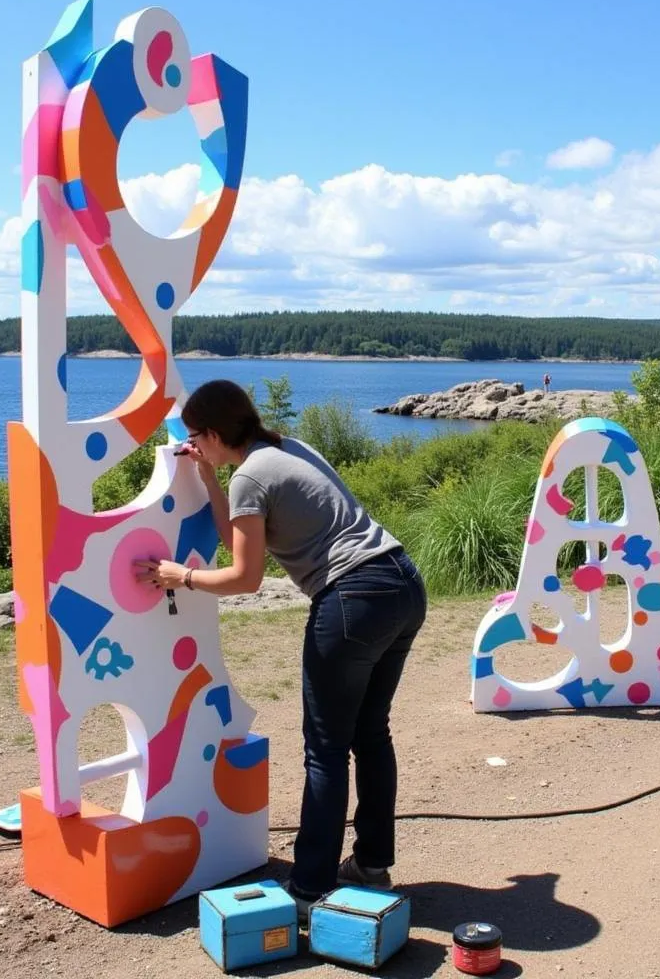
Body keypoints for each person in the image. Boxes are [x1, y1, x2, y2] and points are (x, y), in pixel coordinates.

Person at [135, 380, 426, 918]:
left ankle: (310, 887)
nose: (195, 444)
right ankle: (372, 864)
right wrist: (207, 475)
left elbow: (245, 578)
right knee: (368, 732)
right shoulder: (286, 449)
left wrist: (184, 576)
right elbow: (239, 537)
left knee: (326, 746)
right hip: (402, 584)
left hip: (352, 599)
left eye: (197, 438)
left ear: (215, 433)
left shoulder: (251, 474)